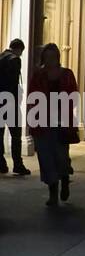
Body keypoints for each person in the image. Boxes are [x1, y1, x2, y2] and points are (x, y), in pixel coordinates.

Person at [29, 43, 77, 207]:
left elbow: (74, 96)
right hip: (42, 123)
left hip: (61, 123)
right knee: (46, 157)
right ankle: (53, 192)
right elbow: (32, 97)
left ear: (58, 57)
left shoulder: (67, 74)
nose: (50, 60)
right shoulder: (38, 75)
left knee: (61, 157)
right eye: (47, 57)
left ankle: (64, 179)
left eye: (53, 57)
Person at [0, 39, 30, 175]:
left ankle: (1, 164)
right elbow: (13, 82)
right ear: (19, 49)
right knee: (16, 135)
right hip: (10, 102)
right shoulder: (14, 59)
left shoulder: (1, 57)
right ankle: (18, 164)